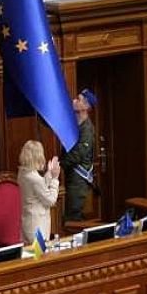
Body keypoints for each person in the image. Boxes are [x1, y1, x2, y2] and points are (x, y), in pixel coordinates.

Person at [63, 88, 97, 221]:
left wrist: (60, 165)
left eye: (78, 99)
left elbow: (78, 154)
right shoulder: (76, 124)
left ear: (86, 106)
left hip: (78, 180)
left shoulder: (87, 130)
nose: (74, 100)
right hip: (72, 176)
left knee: (73, 218)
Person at [18, 140, 60, 244]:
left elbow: (40, 189)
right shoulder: (34, 179)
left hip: (29, 222)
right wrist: (55, 179)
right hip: (38, 225)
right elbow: (50, 200)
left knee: (32, 256)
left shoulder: (23, 173)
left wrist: (49, 173)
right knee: (39, 256)